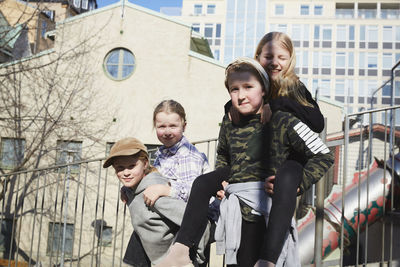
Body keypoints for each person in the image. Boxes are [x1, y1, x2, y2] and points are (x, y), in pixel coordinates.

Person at [156, 56, 333, 266]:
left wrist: (300, 183)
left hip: (265, 205)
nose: (241, 96)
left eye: (248, 87)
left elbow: (323, 154)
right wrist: (221, 182)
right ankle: (180, 251)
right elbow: (222, 153)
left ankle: (268, 260)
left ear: (264, 89)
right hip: (237, 205)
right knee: (202, 183)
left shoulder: (283, 119)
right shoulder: (229, 121)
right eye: (234, 89)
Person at [122, 100, 211, 266]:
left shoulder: (187, 156)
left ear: (184, 126)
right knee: (140, 233)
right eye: (161, 127)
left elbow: (195, 192)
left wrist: (166, 190)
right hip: (171, 218)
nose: (167, 132)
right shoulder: (163, 154)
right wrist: (129, 188)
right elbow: (151, 178)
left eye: (173, 126)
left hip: (187, 225)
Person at [103, 137, 209, 265]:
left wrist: (199, 256)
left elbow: (198, 219)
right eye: (120, 168)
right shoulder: (132, 190)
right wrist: (126, 190)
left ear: (146, 163)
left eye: (132, 166)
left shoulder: (154, 195)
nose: (126, 172)